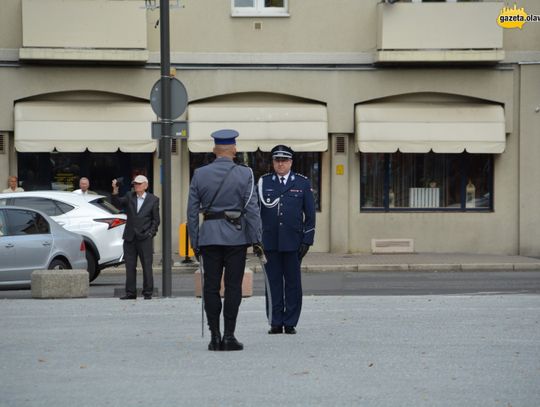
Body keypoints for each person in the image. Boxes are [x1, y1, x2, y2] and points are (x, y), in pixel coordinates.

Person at [187, 129, 263, 352]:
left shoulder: (200, 174)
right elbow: (252, 209)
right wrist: (256, 239)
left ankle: (214, 337)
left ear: (214, 150)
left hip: (209, 236)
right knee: (232, 287)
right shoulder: (245, 173)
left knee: (210, 287)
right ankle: (229, 336)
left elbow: (191, 212)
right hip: (236, 237)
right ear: (234, 150)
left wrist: (195, 240)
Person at [258, 145, 316, 335]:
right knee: (273, 283)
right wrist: (255, 240)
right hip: (269, 242)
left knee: (293, 283)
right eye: (277, 160)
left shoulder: (302, 183)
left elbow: (310, 214)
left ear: (291, 162)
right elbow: (255, 213)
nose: (280, 164)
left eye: (284, 160)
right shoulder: (263, 182)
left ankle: (290, 322)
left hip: (293, 242)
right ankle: (275, 322)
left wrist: (307, 240)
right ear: (273, 162)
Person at [111, 174, 160, 300]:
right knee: (130, 266)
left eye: (139, 183)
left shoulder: (153, 199)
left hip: (145, 237)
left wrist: (150, 233)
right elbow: (117, 204)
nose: (136, 186)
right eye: (135, 183)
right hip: (130, 237)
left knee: (147, 266)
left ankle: (148, 293)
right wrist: (115, 190)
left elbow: (156, 220)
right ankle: (130, 293)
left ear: (145, 185)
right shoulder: (129, 196)